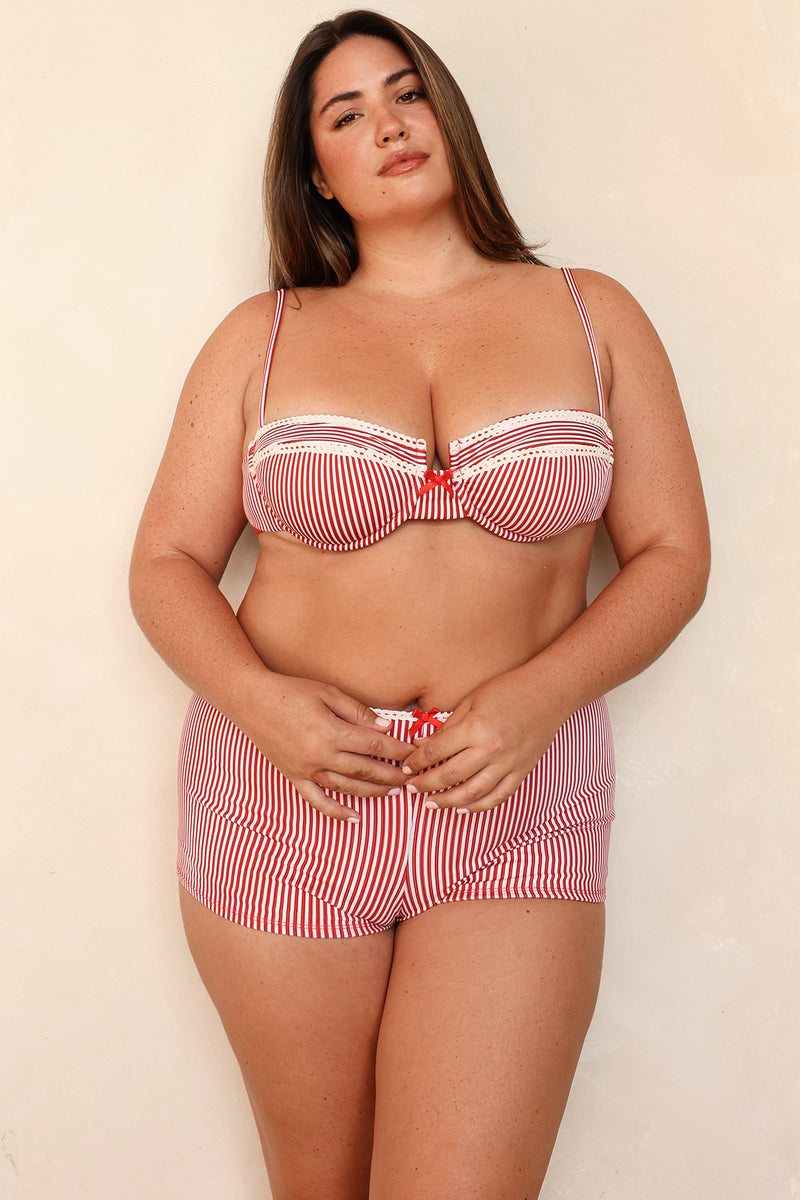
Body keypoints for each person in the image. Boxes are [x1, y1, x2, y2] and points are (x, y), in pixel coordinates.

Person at [129, 9, 710, 1199]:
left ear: (449, 115)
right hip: (284, 800)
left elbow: (670, 555)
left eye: (406, 93)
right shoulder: (263, 337)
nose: (389, 125)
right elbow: (166, 564)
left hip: (517, 805)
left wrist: (539, 698)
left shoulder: (591, 313)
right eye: (346, 114)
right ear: (316, 174)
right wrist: (262, 707)